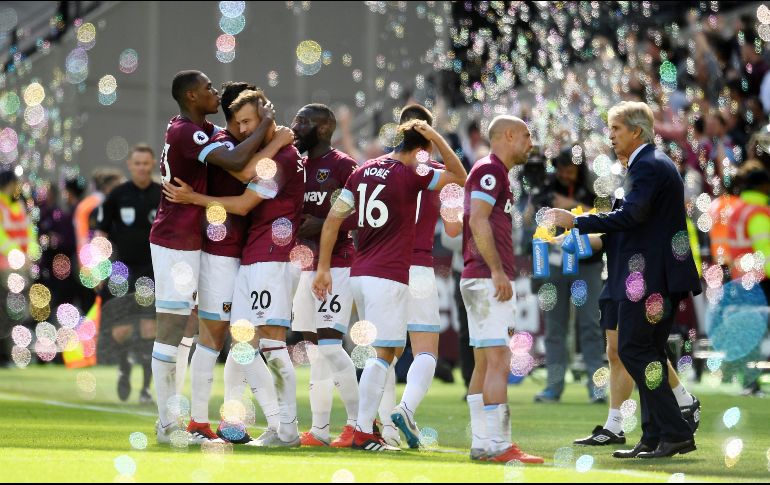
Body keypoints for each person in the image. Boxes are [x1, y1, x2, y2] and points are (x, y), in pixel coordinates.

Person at [548, 101, 701, 459]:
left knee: (633, 349)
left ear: (636, 130)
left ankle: (675, 430)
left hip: (648, 279)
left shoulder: (647, 166)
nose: (611, 135)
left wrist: (577, 221)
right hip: (645, 276)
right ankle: (654, 435)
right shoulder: (647, 165)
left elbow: (631, 216)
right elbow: (630, 222)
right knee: (642, 351)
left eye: (616, 128)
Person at [312, 119, 466, 452]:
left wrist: (323, 268)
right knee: (382, 356)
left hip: (359, 273)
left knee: (381, 352)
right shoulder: (412, 173)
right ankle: (364, 430)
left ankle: (370, 428)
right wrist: (436, 137)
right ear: (421, 150)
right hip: (389, 274)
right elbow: (459, 176)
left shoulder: (362, 170)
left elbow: (333, 221)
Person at [163, 88, 303, 447]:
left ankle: (270, 425)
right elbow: (243, 176)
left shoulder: (277, 154)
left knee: (251, 343)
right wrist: (271, 130)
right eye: (239, 121)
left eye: (249, 121)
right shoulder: (230, 145)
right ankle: (227, 421)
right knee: (224, 340)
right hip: (231, 253)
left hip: (258, 255)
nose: (243, 128)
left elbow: (246, 196)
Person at [374, 104, 463, 449]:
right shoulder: (441, 173)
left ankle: (384, 430)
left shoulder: (381, 169)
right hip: (419, 267)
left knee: (386, 352)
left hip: (383, 266)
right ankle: (406, 410)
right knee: (426, 350)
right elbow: (452, 232)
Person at [461, 116, 543, 464]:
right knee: (499, 360)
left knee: (483, 363)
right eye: (526, 135)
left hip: (477, 276)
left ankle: (482, 442)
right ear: (508, 135)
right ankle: (499, 444)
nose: (531, 143)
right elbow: (477, 219)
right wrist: (496, 270)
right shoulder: (490, 170)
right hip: (486, 276)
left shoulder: (493, 172)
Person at [289, 104, 361, 448]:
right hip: (304, 266)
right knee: (316, 351)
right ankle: (319, 430)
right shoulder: (297, 166)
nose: (294, 127)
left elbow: (366, 212)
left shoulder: (343, 165)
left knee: (331, 346)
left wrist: (327, 223)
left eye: (302, 122)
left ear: (322, 128)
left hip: (336, 266)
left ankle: (359, 424)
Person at [533, 147, 605, 404]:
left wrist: (571, 207)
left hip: (588, 262)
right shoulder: (546, 186)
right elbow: (538, 216)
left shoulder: (594, 186)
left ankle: (597, 388)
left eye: (570, 169)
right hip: (554, 261)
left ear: (579, 168)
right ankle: (553, 387)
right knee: (554, 327)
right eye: (561, 169)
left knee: (591, 326)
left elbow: (607, 218)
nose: (564, 174)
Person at [94, 144, 161, 405]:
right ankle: (124, 370)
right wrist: (99, 268)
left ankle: (145, 388)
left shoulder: (161, 194)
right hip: (121, 269)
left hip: (151, 270)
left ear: (153, 164)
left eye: (146, 163)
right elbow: (101, 234)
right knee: (120, 330)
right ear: (130, 165)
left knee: (148, 329)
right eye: (137, 163)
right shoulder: (118, 195)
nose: (142, 167)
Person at [725, 160, 770, 396]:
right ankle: (751, 383)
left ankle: (748, 382)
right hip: (761, 280)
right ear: (763, 186)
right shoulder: (759, 212)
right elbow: (765, 251)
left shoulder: (737, 210)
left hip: (740, 277)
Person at [0, 167, 38, 365]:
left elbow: (29, 233)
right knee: (7, 309)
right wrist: (19, 253)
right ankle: (6, 353)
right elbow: (1, 236)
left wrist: (30, 253)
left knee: (16, 310)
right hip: (5, 266)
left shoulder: (19, 206)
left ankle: (12, 352)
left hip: (19, 266)